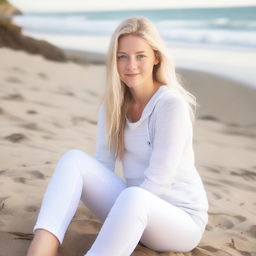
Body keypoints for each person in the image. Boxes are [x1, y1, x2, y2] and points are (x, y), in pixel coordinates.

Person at [26, 17, 209, 256]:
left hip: (180, 222)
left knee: (135, 196)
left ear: (156, 57)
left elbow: (158, 181)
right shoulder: (113, 106)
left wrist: (121, 217)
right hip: (135, 208)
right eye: (122, 56)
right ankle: (41, 249)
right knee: (74, 160)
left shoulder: (170, 105)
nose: (130, 64)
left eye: (140, 55)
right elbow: (101, 167)